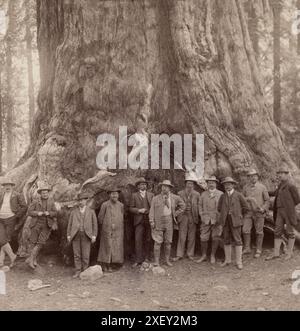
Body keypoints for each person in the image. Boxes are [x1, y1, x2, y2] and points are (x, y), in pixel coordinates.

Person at [266, 166, 300, 261]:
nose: (280, 176)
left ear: (286, 175)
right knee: (277, 231)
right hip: (279, 211)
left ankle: (289, 253)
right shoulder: (280, 185)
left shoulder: (291, 185)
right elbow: (274, 193)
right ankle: (276, 253)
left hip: (288, 212)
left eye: (281, 174)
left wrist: (289, 206)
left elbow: (297, 199)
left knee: (290, 231)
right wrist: (265, 191)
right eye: (279, 174)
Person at [149, 180, 185, 267]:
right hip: (158, 221)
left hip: (169, 221)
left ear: (170, 188)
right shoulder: (155, 198)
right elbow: (151, 211)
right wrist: (151, 221)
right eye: (163, 186)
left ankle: (167, 260)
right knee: (157, 242)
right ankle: (156, 261)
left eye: (166, 187)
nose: (164, 188)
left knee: (168, 242)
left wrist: (175, 213)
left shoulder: (175, 197)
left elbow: (183, 205)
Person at [217, 177, 249, 270]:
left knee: (237, 240)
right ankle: (228, 260)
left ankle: (239, 262)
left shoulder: (238, 195)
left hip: (236, 221)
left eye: (229, 184)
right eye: (225, 185)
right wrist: (224, 215)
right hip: (225, 221)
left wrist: (239, 215)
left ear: (233, 185)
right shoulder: (223, 196)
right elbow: (219, 208)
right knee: (226, 239)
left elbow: (246, 207)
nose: (227, 186)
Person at [26, 184, 58, 269]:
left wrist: (50, 213)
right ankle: (34, 259)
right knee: (33, 242)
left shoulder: (51, 201)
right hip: (35, 224)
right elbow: (29, 212)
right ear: (40, 194)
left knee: (41, 242)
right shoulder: (35, 201)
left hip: (46, 225)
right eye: (43, 193)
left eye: (46, 193)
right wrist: (37, 213)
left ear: (48, 193)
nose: (45, 194)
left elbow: (55, 213)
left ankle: (31, 259)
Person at [67, 192, 98, 278]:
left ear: (86, 201)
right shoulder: (73, 212)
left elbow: (94, 224)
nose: (80, 202)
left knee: (85, 254)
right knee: (77, 254)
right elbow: (69, 224)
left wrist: (94, 235)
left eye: (82, 200)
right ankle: (77, 271)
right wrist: (69, 235)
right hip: (75, 235)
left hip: (86, 235)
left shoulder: (91, 211)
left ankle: (85, 271)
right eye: (79, 201)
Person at [242, 169, 270, 258]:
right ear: (248, 178)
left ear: (257, 177)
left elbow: (267, 200)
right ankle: (247, 248)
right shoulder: (245, 187)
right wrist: (248, 199)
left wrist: (264, 209)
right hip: (248, 213)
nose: (252, 178)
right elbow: (242, 200)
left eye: (254, 176)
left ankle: (258, 249)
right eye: (250, 176)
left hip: (259, 213)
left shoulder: (262, 187)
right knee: (245, 230)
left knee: (259, 232)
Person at [0, 177, 27, 268]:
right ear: (3, 187)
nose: (7, 187)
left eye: (9, 185)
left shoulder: (17, 195)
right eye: (5, 185)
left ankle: (1, 261)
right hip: (0, 219)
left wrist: (16, 216)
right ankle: (12, 256)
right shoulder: (2, 194)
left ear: (12, 186)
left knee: (4, 240)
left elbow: (24, 206)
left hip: (10, 219)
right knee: (2, 240)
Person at [173, 173, 200, 262]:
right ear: (185, 184)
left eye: (191, 184)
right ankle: (179, 254)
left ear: (194, 185)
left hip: (193, 216)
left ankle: (190, 254)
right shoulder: (180, 193)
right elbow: (176, 206)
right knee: (182, 236)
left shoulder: (197, 194)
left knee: (191, 236)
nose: (190, 185)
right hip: (183, 217)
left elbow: (199, 206)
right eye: (188, 183)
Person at [197, 176, 223, 264]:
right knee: (203, 237)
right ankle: (204, 255)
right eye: (209, 182)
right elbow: (199, 205)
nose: (211, 184)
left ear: (216, 184)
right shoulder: (203, 194)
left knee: (215, 237)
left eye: (213, 182)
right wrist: (201, 215)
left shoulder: (221, 194)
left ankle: (212, 255)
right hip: (205, 219)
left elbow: (223, 207)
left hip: (216, 219)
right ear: (207, 184)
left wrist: (220, 218)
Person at [97, 188, 124, 272]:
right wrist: (107, 226)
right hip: (107, 230)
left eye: (116, 194)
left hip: (118, 231)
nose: (114, 195)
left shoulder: (121, 205)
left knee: (116, 246)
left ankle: (114, 264)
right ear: (109, 195)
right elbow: (100, 218)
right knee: (107, 246)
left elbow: (122, 216)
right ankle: (105, 264)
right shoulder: (105, 205)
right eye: (112, 194)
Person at [130, 178, 154, 267]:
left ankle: (147, 258)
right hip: (139, 221)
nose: (143, 186)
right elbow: (130, 208)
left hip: (149, 220)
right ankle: (138, 259)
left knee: (148, 239)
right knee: (138, 240)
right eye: (141, 184)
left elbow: (154, 207)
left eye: (144, 184)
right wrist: (139, 210)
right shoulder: (134, 195)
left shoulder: (151, 195)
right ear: (138, 186)